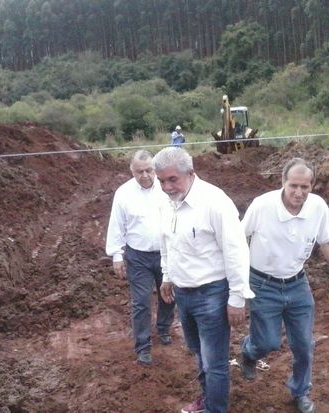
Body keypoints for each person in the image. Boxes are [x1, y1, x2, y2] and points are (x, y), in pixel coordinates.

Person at [239, 158, 329, 413]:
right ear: (283, 182)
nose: (299, 192)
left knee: (304, 345)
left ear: (312, 185)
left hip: (297, 283)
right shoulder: (262, 205)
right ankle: (249, 352)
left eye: (305, 186)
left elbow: (327, 242)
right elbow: (239, 238)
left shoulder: (317, 207)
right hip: (262, 283)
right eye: (293, 185)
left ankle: (299, 391)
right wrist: (235, 280)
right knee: (267, 343)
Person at [153, 146, 253, 413]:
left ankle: (215, 409)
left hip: (212, 294)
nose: (166, 186)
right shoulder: (167, 202)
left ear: (190, 173)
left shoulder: (214, 202)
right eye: (161, 180)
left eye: (172, 179)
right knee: (199, 353)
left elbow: (236, 250)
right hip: (183, 294)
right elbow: (167, 242)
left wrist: (237, 297)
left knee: (215, 362)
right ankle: (207, 399)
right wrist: (167, 276)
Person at [105, 149, 175, 366]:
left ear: (155, 169)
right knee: (141, 301)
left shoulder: (166, 188)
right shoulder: (124, 194)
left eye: (148, 170)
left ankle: (163, 328)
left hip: (166, 252)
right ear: (131, 171)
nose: (145, 175)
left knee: (169, 295)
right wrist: (117, 254)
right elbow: (117, 225)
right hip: (138, 256)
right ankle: (143, 346)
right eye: (139, 172)